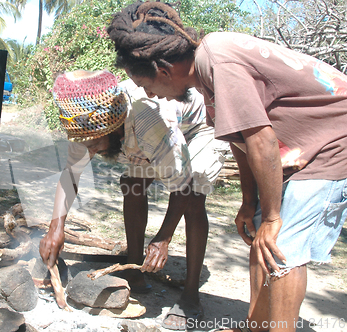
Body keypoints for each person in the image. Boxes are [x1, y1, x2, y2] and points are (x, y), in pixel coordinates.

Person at [107, 2, 347, 332]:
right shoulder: (206, 74)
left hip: (334, 140)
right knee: (261, 242)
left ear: (163, 71)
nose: (149, 93)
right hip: (302, 148)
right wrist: (250, 203)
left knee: (282, 248)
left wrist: (274, 217)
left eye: (148, 86)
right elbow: (242, 143)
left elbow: (261, 140)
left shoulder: (218, 62)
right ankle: (255, 327)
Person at [39, 69, 229, 330]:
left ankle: (190, 297)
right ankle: (135, 270)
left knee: (194, 197)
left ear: (114, 130)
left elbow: (182, 184)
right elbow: (71, 173)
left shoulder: (150, 122)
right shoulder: (87, 120)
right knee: (133, 185)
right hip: (150, 134)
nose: (90, 151)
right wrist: (55, 228)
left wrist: (163, 238)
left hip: (198, 128)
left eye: (94, 145)